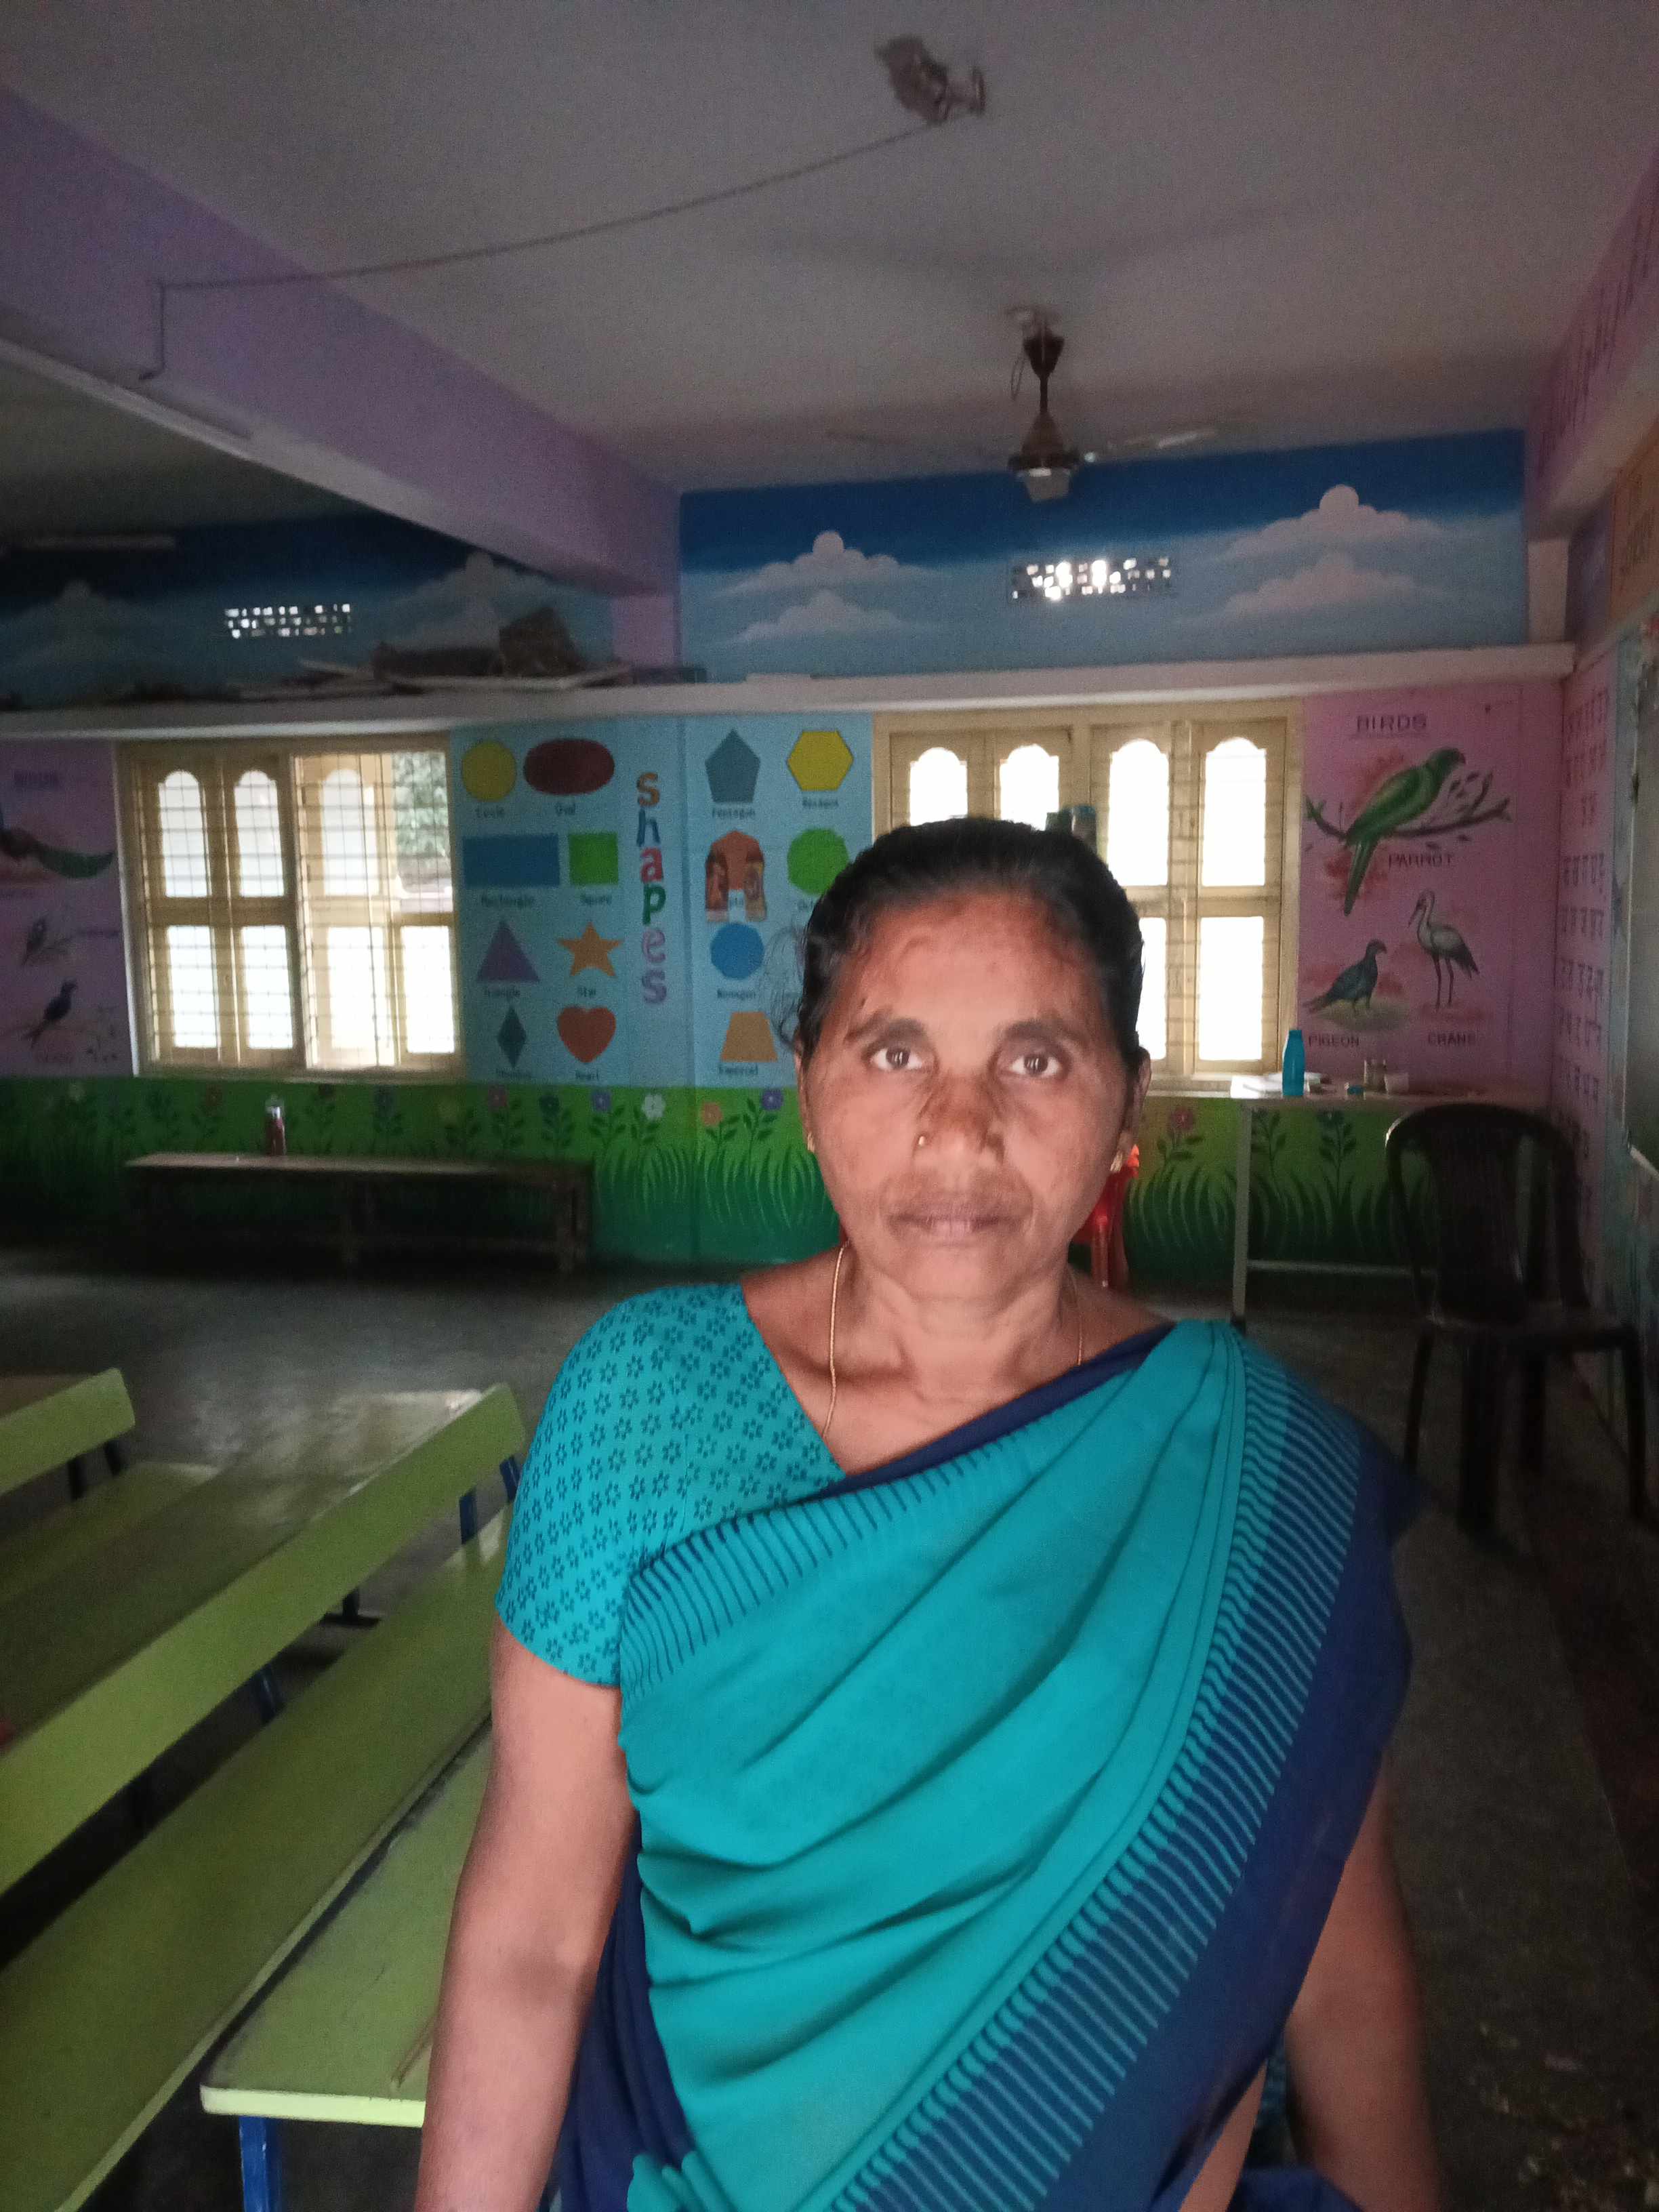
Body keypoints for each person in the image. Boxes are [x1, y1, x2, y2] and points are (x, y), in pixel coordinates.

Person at [415, 819, 1442, 2212]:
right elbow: (532, 1940)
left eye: (1037, 1059)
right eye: (894, 1053)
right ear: (806, 1084)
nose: (960, 1131)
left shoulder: (1262, 1480)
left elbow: (1338, 1970)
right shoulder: (646, 1407)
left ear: (1127, 1103)